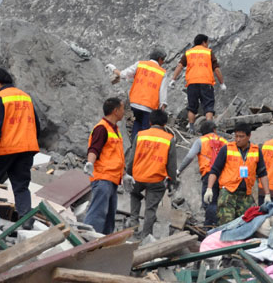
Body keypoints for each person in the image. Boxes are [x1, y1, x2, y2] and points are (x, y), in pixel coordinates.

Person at [0, 68, 41, 218]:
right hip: (26, 148)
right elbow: (37, 125)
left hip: (6, 149)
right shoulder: (25, 97)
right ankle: (26, 219)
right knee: (21, 186)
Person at [125, 109, 177, 238]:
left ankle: (133, 226)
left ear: (150, 122)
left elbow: (132, 158)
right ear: (165, 124)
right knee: (150, 209)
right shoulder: (169, 139)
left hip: (138, 176)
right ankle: (146, 236)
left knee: (135, 195)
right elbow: (171, 165)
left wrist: (128, 174)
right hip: (156, 179)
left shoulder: (140, 135)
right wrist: (172, 181)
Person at [205, 124, 270, 224]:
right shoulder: (227, 149)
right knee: (226, 222)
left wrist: (267, 194)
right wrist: (209, 188)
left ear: (249, 136)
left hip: (245, 194)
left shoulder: (256, 151)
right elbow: (215, 170)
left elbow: (262, 173)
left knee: (244, 223)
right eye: (236, 136)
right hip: (228, 193)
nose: (238, 139)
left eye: (241, 136)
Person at [84, 97, 126, 234]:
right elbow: (94, 148)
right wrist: (90, 162)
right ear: (115, 111)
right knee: (97, 213)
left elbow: (116, 156)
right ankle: (87, 240)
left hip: (112, 179)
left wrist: (125, 175)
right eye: (122, 109)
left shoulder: (115, 130)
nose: (124, 112)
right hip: (103, 178)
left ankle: (105, 242)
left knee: (109, 217)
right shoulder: (102, 128)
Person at [170, 35, 227, 134]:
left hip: (192, 83)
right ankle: (209, 129)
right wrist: (222, 83)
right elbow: (216, 69)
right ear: (204, 42)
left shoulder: (189, 53)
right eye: (207, 42)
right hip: (206, 83)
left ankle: (191, 128)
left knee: (192, 107)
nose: (207, 44)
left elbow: (179, 66)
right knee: (208, 106)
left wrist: (173, 79)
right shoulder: (208, 52)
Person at [177, 120, 227, 226]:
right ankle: (220, 224)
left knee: (209, 201)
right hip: (224, 175)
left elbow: (190, 156)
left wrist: (179, 170)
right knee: (222, 201)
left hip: (208, 174)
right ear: (214, 130)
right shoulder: (224, 141)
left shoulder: (201, 141)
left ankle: (210, 225)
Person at [113, 50, 169, 139]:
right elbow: (163, 92)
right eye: (163, 60)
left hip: (135, 102)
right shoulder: (162, 72)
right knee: (145, 128)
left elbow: (124, 74)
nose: (163, 62)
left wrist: (115, 70)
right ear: (159, 59)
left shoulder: (140, 64)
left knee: (137, 122)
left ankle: (134, 143)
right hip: (149, 105)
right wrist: (162, 107)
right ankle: (141, 144)